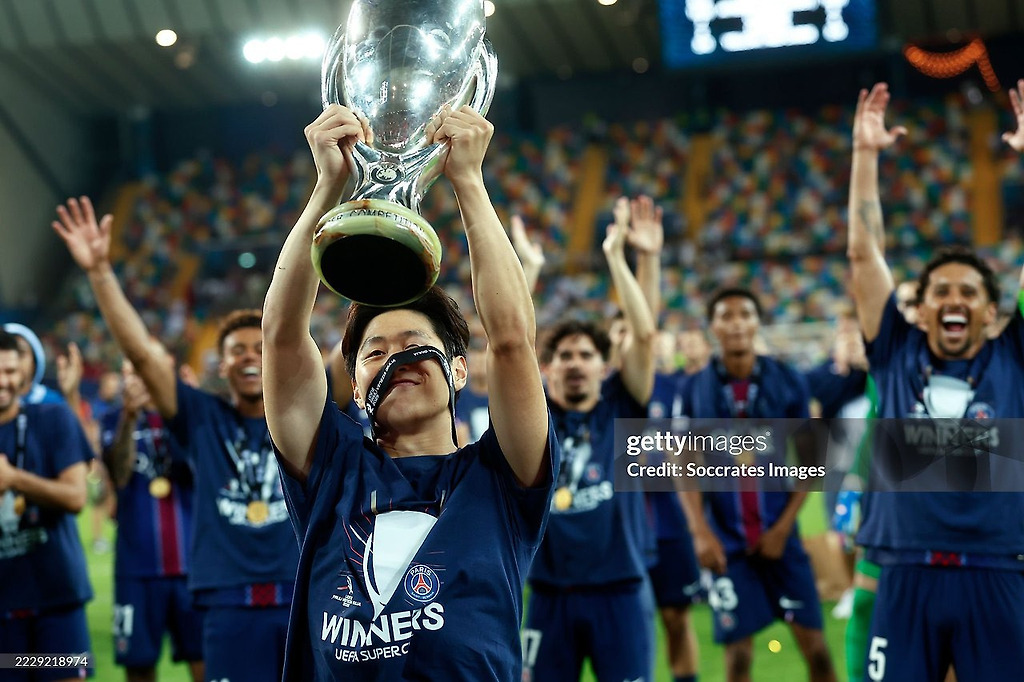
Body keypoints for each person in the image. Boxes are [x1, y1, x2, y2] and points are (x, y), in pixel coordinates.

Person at [262, 104, 556, 680]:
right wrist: (327, 188)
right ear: (355, 385)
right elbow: (280, 334)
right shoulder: (332, 467)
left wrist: (468, 181)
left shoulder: (500, 476)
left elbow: (513, 341)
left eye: (415, 344)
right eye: (374, 353)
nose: (396, 358)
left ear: (460, 371)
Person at [53, 196, 299, 682]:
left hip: (300, 595)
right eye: (237, 350)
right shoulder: (202, 416)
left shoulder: (301, 417)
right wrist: (100, 273)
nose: (249, 357)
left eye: (259, 348)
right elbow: (144, 356)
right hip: (226, 602)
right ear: (220, 365)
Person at [845, 80, 1024, 681]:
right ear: (920, 309)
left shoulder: (1015, 356)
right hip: (904, 572)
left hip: (998, 570)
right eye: (940, 290)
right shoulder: (895, 352)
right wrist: (864, 156)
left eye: (968, 292)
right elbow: (864, 256)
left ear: (991, 312)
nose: (953, 300)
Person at [522, 205, 657, 681]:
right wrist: (529, 272)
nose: (575, 362)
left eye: (585, 354)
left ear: (604, 364)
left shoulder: (623, 408)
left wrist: (617, 258)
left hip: (619, 591)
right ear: (547, 368)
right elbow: (508, 342)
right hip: (549, 596)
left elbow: (644, 335)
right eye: (564, 355)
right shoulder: (535, 416)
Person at [676, 287, 836, 682]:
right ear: (713, 327)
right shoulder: (694, 388)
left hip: (781, 539)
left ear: (757, 323)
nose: (736, 324)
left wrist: (783, 528)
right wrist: (700, 532)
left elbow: (813, 460)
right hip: (727, 545)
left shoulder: (788, 380)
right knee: (738, 659)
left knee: (818, 653)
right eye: (725, 316)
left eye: (744, 314)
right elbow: (683, 463)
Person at [99, 360, 204, 682]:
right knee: (139, 665)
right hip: (136, 569)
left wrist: (190, 410)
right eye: (132, 373)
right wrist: (129, 420)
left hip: (194, 568)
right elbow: (118, 476)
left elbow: (201, 467)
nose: (141, 380)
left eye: (147, 371)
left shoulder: (189, 418)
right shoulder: (113, 420)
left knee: (205, 661)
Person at [0, 329, 94, 682]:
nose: (3, 381)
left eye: (10, 371)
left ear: (24, 372)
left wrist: (14, 478)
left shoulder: (54, 418)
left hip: (56, 601)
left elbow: (76, 497)